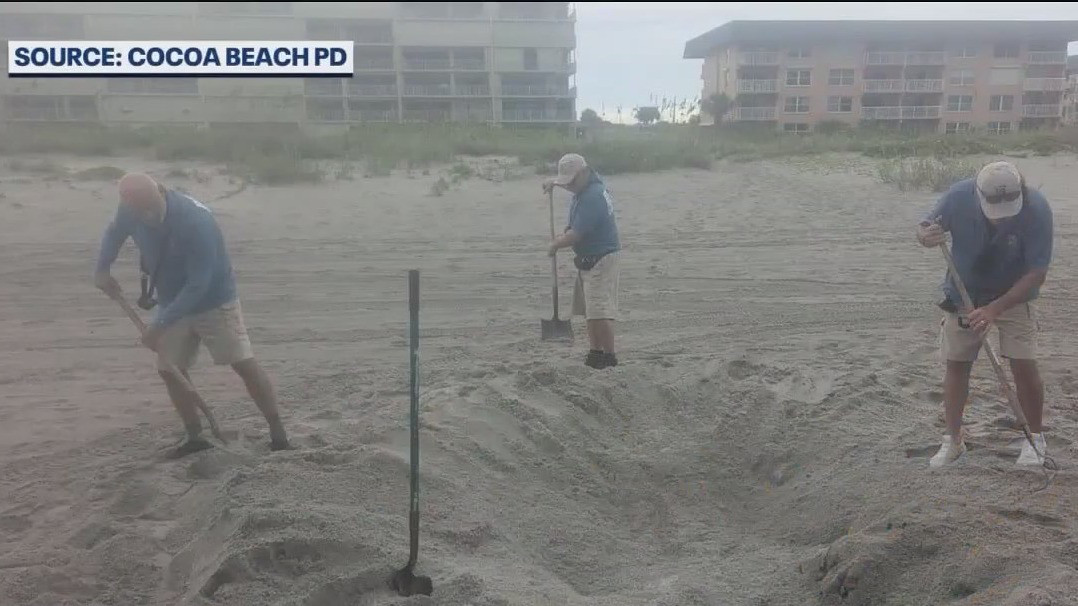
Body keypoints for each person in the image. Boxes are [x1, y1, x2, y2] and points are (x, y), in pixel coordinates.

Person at [94, 173, 291, 457]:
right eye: (138, 211)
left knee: (242, 363)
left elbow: (200, 283)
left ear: (160, 192)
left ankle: (279, 435)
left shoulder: (196, 222)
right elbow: (114, 233)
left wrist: (160, 324)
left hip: (213, 299)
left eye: (148, 209)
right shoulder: (129, 207)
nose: (144, 216)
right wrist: (101, 269)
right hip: (171, 299)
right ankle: (195, 436)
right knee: (170, 370)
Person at [917, 161, 1053, 468]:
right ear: (978, 195)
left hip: (1015, 296)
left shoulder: (1037, 209)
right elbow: (924, 228)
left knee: (1023, 363)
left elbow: (1036, 273)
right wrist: (927, 236)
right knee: (957, 364)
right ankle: (953, 441)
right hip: (964, 294)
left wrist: (994, 310)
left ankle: (1035, 437)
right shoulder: (958, 196)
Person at [544, 153, 622, 369]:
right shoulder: (587, 184)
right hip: (590, 258)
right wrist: (553, 184)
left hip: (602, 258)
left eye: (571, 182)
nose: (568, 187)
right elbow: (570, 185)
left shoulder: (592, 197)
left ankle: (609, 356)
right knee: (591, 311)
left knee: (601, 311)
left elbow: (575, 236)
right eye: (565, 183)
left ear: (583, 173)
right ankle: (595, 352)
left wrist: (555, 245)